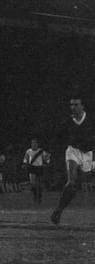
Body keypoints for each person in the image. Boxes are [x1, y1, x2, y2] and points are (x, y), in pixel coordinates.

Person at [51, 95, 95, 225]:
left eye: (76, 104)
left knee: (77, 186)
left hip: (88, 154)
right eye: (71, 105)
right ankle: (58, 211)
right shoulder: (67, 121)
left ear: (83, 106)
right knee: (71, 182)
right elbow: (57, 137)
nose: (73, 107)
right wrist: (50, 151)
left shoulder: (91, 120)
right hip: (73, 151)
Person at [23, 138, 50, 204]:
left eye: (35, 143)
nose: (34, 144)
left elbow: (46, 158)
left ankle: (39, 198)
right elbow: (26, 159)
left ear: (37, 144)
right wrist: (25, 164)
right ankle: (35, 196)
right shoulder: (28, 151)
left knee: (40, 184)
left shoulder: (41, 151)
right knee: (33, 184)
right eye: (33, 143)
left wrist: (46, 162)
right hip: (32, 168)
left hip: (39, 168)